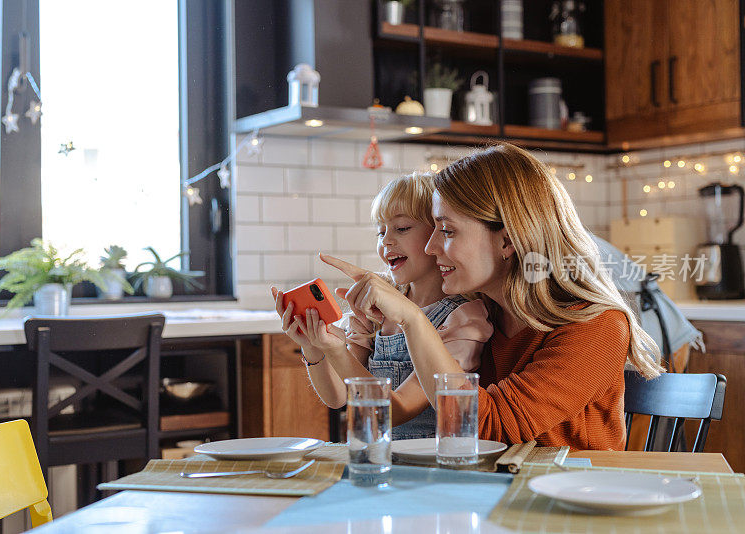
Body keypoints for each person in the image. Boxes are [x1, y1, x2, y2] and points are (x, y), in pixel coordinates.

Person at [324, 142, 662, 450]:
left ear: (507, 241)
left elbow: (489, 426)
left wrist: (411, 319)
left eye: (448, 231)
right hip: (495, 495)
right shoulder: (481, 313)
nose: (431, 247)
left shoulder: (597, 327)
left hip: (570, 503)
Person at [271, 173, 493, 439]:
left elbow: (396, 410)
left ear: (437, 234)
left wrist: (338, 352)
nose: (386, 240)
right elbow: (337, 397)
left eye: (401, 228)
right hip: (381, 459)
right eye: (381, 231)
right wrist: (314, 347)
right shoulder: (376, 311)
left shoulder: (462, 317)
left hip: (431, 465)